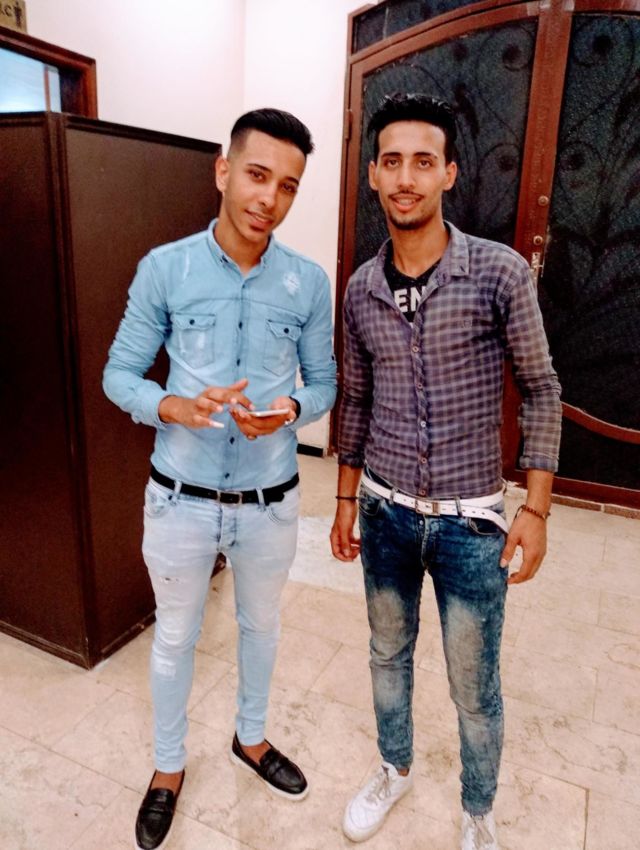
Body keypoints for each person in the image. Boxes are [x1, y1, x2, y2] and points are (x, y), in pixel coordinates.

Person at [330, 93, 561, 850]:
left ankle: (478, 809)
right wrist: (344, 500)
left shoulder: (497, 274)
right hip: (385, 512)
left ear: (449, 173)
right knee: (386, 655)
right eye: (392, 162)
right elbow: (356, 398)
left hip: (471, 524)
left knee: (473, 685)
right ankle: (393, 769)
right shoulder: (361, 289)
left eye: (423, 162)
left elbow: (542, 390)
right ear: (373, 174)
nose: (406, 178)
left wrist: (535, 510)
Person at [104, 108, 337, 850]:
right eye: (258, 175)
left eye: (288, 186)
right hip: (181, 496)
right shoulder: (165, 268)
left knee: (261, 627)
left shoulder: (307, 282)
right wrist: (171, 404)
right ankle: (168, 768)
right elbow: (119, 374)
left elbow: (326, 384)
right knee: (175, 637)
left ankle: (251, 738)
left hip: (270, 501)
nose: (269, 198)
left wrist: (291, 410)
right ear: (223, 170)